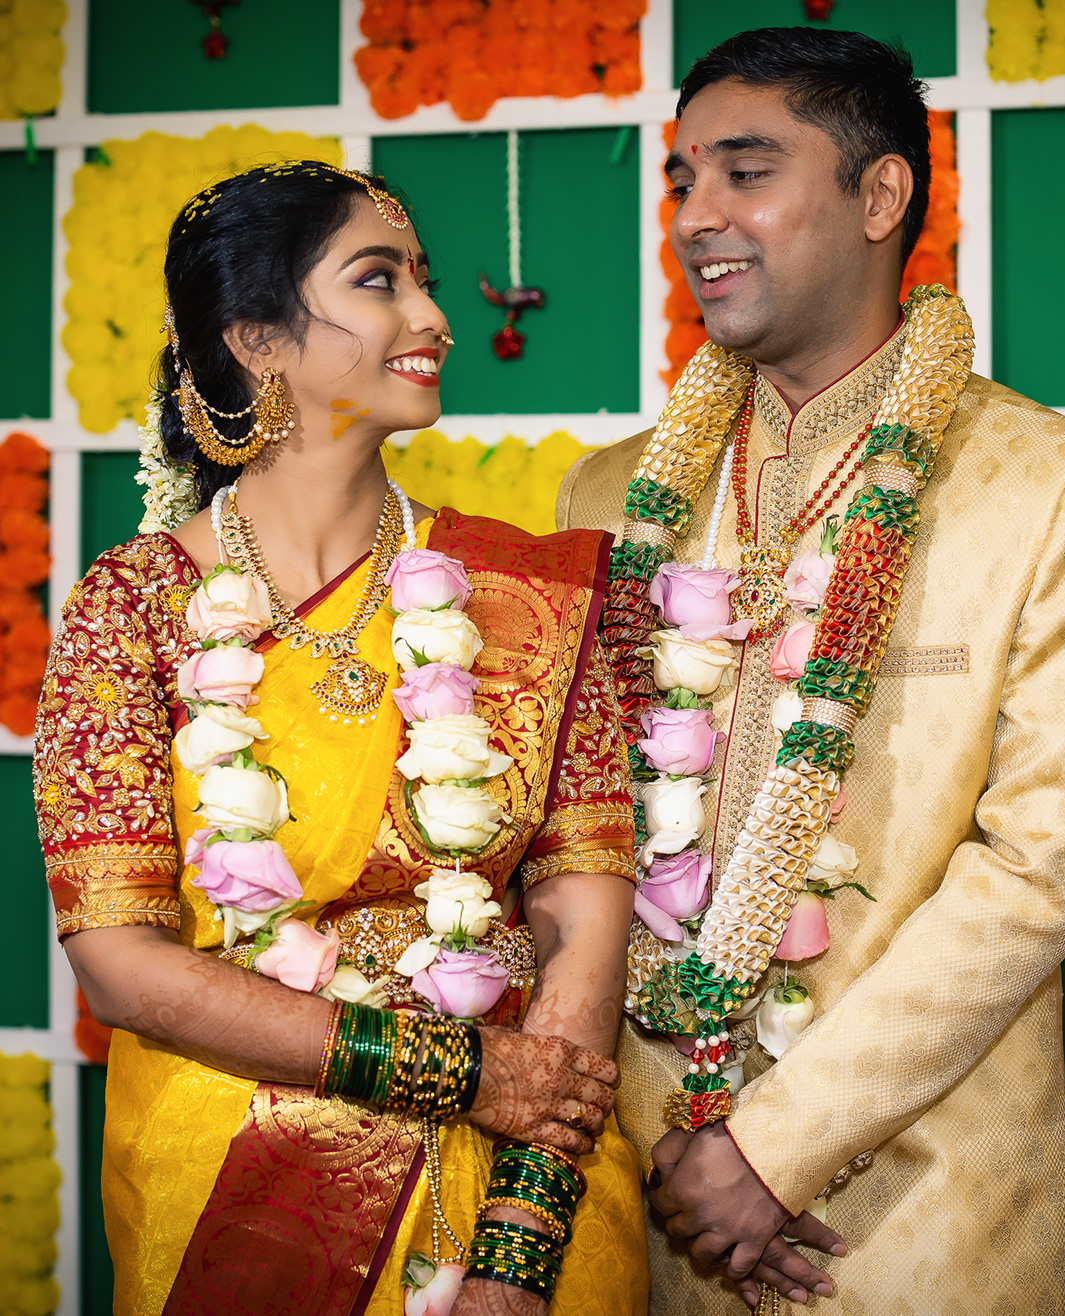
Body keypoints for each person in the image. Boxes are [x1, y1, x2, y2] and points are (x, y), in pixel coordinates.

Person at [556, 28, 1065, 1313]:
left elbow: (1041, 862)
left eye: (746, 172)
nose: (696, 218)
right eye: (682, 181)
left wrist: (774, 1147)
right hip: (639, 1193)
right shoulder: (607, 498)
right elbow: (576, 839)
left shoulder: (1051, 487)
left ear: (881, 196)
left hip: (914, 1212)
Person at [35, 161, 649, 1316]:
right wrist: (457, 1071)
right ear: (257, 338)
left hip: (531, 1183)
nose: (435, 318)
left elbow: (584, 912)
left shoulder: (525, 592)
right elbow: (118, 960)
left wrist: (520, 1250)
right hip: (237, 1192)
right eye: (379, 280)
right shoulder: (132, 608)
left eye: (423, 278)